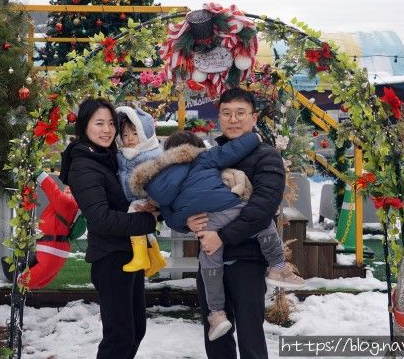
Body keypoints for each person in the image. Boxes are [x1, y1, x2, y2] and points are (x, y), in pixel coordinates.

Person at [130, 130, 303, 342]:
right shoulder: (202, 159)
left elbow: (170, 218)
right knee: (263, 222)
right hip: (229, 208)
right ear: (194, 150)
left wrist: (185, 223)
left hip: (205, 224)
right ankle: (278, 267)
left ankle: (216, 314)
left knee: (209, 261)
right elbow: (231, 151)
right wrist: (255, 137)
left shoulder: (156, 185)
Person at [188, 87, 289, 359]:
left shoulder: (267, 156)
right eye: (227, 113)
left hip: (247, 260)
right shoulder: (210, 157)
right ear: (219, 117)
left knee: (250, 337)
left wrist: (221, 236)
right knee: (216, 335)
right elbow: (191, 195)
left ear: (254, 117)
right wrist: (190, 219)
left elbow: (263, 208)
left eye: (240, 113)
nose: (233, 119)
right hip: (210, 259)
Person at [59, 97, 159, 359]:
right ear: (84, 126)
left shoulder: (108, 157)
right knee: (119, 338)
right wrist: (147, 221)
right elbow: (101, 218)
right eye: (99, 123)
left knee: (135, 330)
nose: (107, 130)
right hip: (111, 258)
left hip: (128, 254)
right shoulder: (84, 166)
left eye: (111, 123)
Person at [115, 105, 166, 275]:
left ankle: (140, 257)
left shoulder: (151, 154)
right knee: (145, 229)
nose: (129, 139)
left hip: (145, 197)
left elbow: (158, 178)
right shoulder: (124, 153)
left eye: (135, 134)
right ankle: (156, 256)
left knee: (133, 216)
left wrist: (154, 200)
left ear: (145, 133)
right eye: (125, 135)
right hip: (133, 196)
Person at [19, 171, 79, 290]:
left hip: (51, 249)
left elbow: (53, 190)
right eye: (67, 187)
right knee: (30, 282)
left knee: (23, 281)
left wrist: (39, 173)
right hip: (52, 248)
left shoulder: (67, 203)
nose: (67, 190)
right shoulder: (68, 204)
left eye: (71, 189)